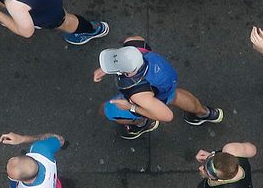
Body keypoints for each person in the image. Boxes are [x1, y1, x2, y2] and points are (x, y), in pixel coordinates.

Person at [93, 36, 224, 139]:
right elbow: (134, 41)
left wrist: (130, 107)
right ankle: (204, 113)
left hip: (151, 97)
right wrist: (107, 68)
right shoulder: (134, 43)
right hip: (165, 84)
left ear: (127, 71)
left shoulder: (138, 94)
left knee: (106, 110)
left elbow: (167, 116)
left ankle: (143, 123)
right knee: (174, 96)